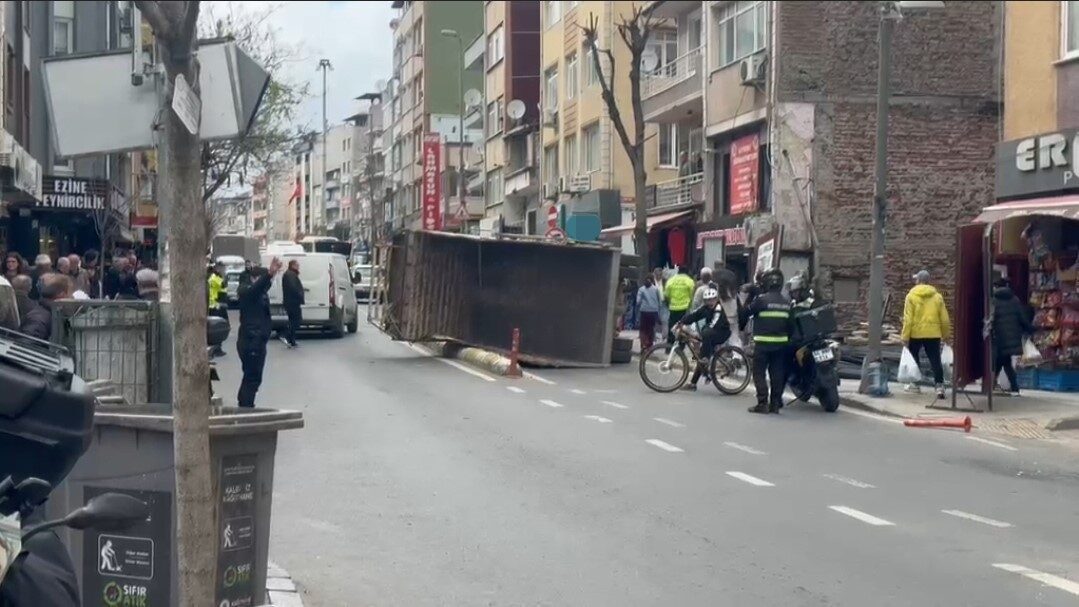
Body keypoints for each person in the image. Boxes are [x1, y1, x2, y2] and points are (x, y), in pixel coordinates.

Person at [741, 268, 793, 414]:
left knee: (759, 373)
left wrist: (749, 297)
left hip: (762, 345)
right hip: (780, 345)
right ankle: (775, 404)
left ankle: (762, 403)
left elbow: (745, 312)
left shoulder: (761, 300)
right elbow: (791, 326)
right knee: (777, 374)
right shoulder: (787, 303)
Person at [236, 258, 283, 407]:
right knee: (252, 376)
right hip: (252, 339)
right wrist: (269, 274)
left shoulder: (259, 292)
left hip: (256, 339)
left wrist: (271, 275)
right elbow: (257, 288)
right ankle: (246, 405)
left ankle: (245, 402)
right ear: (255, 279)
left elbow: (263, 286)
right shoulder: (247, 291)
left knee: (253, 375)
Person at [900, 269, 952, 399]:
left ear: (918, 281)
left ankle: (914, 384)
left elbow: (908, 319)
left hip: (915, 333)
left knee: (914, 357)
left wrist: (905, 337)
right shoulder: (937, 297)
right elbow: (944, 318)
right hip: (933, 333)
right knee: (935, 359)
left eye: (916, 279)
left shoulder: (911, 296)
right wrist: (946, 335)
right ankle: (939, 386)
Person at [674, 287, 732, 391]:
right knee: (700, 358)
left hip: (722, 332)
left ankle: (706, 359)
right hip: (711, 333)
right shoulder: (705, 308)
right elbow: (694, 315)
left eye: (712, 299)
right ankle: (693, 384)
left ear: (716, 299)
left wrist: (702, 334)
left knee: (704, 349)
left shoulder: (718, 308)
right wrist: (681, 322)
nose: (710, 302)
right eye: (708, 300)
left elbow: (714, 323)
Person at [990, 277, 1033, 395]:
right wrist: (1030, 329)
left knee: (1003, 362)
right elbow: (1022, 318)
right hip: (1013, 338)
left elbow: (991, 319)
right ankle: (998, 386)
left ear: (997, 287)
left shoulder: (994, 301)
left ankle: (1013, 388)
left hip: (999, 338)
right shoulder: (1015, 300)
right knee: (1003, 362)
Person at [20, 274, 71, 341]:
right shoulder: (39, 318)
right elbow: (26, 344)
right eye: (70, 294)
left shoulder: (54, 314)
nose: (72, 297)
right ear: (62, 294)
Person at [663, 266, 696, 348]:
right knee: (682, 328)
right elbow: (692, 295)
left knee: (672, 327)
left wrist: (669, 304)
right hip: (684, 308)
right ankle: (681, 347)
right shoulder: (689, 281)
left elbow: (666, 295)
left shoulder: (671, 280)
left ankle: (669, 346)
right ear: (687, 272)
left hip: (673, 307)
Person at [281, 259, 305, 348]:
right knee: (296, 320)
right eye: (297, 265)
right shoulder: (290, 275)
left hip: (291, 301)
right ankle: (286, 335)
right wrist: (300, 294)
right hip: (292, 302)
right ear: (293, 266)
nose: (298, 266)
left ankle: (291, 340)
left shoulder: (290, 274)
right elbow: (293, 287)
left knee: (293, 320)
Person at [636, 274, 662, 351]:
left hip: (644, 311)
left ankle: (643, 345)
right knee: (651, 328)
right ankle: (650, 346)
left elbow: (638, 302)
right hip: (653, 312)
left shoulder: (641, 289)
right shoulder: (656, 289)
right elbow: (660, 302)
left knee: (643, 329)